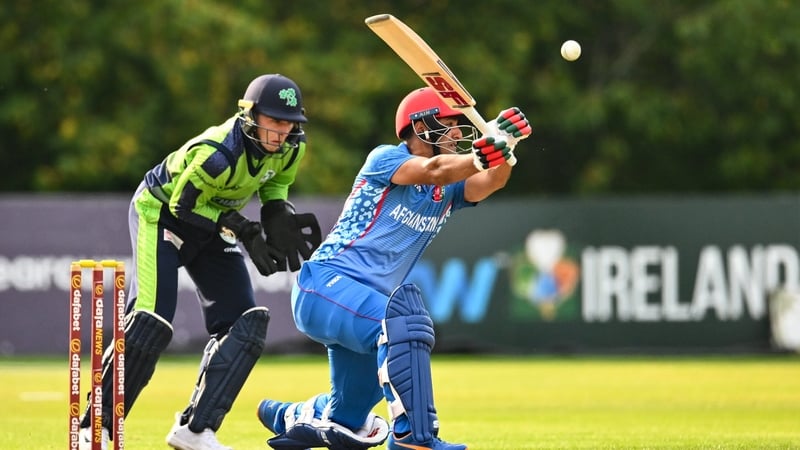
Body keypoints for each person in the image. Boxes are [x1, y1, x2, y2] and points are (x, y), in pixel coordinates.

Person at [255, 87, 532, 450]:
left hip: (363, 305)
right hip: (325, 286)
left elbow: (490, 181)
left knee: (350, 422)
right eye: (448, 125)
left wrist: (504, 148)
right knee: (404, 324)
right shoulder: (385, 159)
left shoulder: (448, 191)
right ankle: (413, 438)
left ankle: (293, 416)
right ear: (420, 127)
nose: (456, 134)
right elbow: (433, 170)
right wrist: (483, 152)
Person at [78, 73, 322, 450]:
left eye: (289, 123)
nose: (281, 133)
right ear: (250, 116)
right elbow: (183, 205)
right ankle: (96, 423)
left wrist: (276, 213)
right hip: (162, 212)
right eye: (273, 121)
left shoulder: (292, 147)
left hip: (213, 218)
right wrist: (243, 228)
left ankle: (195, 429)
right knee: (151, 320)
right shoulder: (218, 153)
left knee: (246, 323)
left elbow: (275, 183)